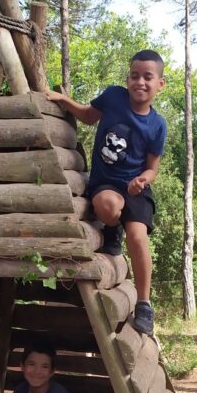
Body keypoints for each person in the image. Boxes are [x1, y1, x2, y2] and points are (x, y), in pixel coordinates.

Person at [45, 49, 167, 335]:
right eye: (134, 76)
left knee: (138, 237)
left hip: (136, 188)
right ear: (127, 79)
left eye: (148, 77)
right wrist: (63, 100)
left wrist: (143, 180)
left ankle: (144, 303)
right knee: (108, 207)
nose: (140, 82)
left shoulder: (157, 125)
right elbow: (88, 116)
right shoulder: (113, 97)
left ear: (160, 84)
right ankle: (113, 227)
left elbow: (152, 168)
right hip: (106, 184)